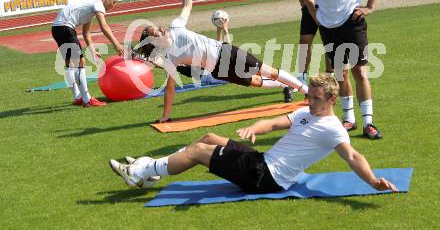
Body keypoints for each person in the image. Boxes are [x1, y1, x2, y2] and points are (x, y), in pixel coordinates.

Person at [109, 74, 397, 194]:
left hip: (265, 177)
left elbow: (353, 156)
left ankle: (141, 171)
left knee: (197, 153)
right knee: (209, 138)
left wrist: (372, 180)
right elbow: (272, 124)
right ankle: (154, 169)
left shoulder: (333, 129)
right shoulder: (305, 113)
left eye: (317, 99)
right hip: (262, 161)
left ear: (332, 100)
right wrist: (251, 128)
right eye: (309, 97)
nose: (310, 102)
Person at [136, 0, 308, 123]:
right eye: (157, 31)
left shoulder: (175, 26)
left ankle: (307, 91)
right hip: (218, 70)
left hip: (226, 52)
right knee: (256, 82)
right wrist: (166, 115)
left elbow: (187, 4)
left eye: (158, 27)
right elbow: (170, 89)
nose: (161, 28)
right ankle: (285, 85)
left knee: (267, 71)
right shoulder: (170, 58)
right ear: (155, 42)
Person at [302, 0, 384, 139]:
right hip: (328, 25)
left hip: (352, 21)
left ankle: (369, 123)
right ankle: (349, 120)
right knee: (340, 74)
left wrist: (370, 6)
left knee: (360, 71)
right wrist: (312, 10)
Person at [52, 0, 125, 107]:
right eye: (114, 2)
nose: (114, 5)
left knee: (70, 64)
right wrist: (116, 44)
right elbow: (104, 26)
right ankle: (87, 99)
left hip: (57, 28)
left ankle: (78, 97)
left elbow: (86, 33)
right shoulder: (98, 3)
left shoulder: (90, 6)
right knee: (80, 62)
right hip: (65, 27)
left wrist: (92, 51)